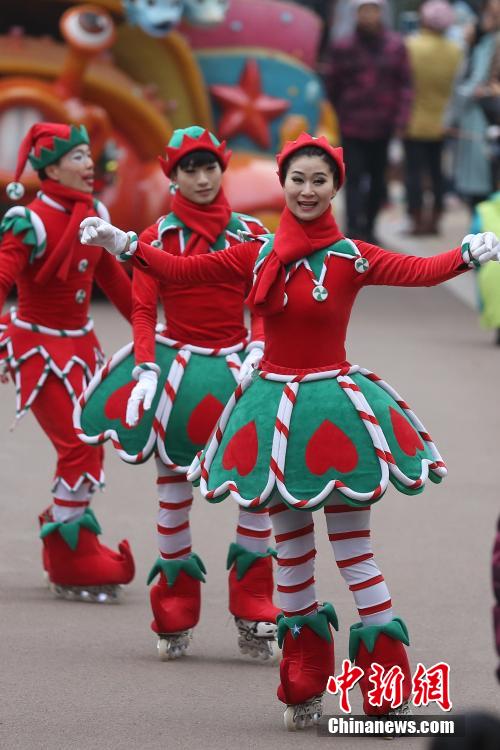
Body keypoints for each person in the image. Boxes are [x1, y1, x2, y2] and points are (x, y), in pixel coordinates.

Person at [79, 131, 499, 729]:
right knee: (293, 552)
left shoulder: (352, 255)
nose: (307, 190)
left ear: (336, 187)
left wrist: (464, 255)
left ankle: (386, 679)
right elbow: (180, 270)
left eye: (319, 180)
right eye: (297, 179)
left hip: (334, 411)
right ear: (284, 183)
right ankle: (304, 667)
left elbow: (419, 270)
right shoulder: (258, 252)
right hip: (273, 413)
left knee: (355, 552)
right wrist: (124, 243)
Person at [74, 127, 279, 660]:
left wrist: (259, 348)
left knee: (251, 484)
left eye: (210, 166)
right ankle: (175, 605)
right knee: (172, 491)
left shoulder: (252, 234)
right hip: (178, 372)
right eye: (190, 168)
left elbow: (262, 305)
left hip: (239, 369)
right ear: (174, 175)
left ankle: (254, 600)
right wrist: (145, 369)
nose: (203, 178)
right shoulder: (155, 238)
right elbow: (143, 309)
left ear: (222, 168)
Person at [0, 122, 135, 603]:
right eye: (78, 157)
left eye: (88, 154)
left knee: (90, 440)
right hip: (36, 347)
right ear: (51, 167)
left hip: (81, 346)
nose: (89, 163)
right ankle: (68, 556)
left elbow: (116, 283)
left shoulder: (95, 214)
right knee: (77, 444)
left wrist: (150, 332)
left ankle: (66, 534)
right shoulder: (28, 221)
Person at [327, 0, 413, 243]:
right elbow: (332, 82)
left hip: (383, 125)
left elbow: (405, 85)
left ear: (380, 13)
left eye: (373, 10)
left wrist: (401, 119)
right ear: (356, 13)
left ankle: (371, 227)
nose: (368, 15)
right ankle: (354, 229)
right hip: (352, 124)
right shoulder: (343, 46)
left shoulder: (395, 46)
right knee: (352, 178)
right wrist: (342, 109)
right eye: (363, 10)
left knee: (378, 179)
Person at [404, 0, 462, 235]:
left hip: (413, 121)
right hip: (443, 123)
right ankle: (435, 219)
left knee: (414, 173)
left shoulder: (410, 46)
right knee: (437, 173)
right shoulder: (456, 51)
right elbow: (457, 88)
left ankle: (416, 219)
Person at [448, 0, 500, 207]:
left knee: (485, 177)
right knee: (482, 180)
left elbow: (475, 81)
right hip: (481, 113)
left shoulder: (490, 42)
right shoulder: (481, 41)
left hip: (487, 112)